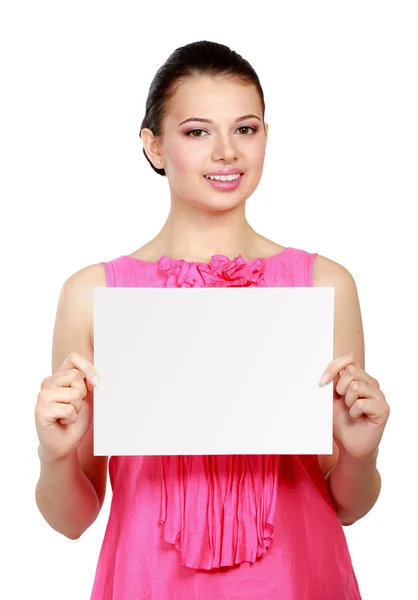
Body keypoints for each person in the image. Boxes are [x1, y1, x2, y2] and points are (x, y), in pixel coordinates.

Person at [34, 40, 390, 600]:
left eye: (245, 129)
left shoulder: (324, 285)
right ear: (154, 146)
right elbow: (72, 519)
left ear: (266, 138)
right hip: (148, 583)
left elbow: (349, 504)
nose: (226, 151)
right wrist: (54, 455)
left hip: (297, 580)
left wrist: (360, 454)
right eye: (197, 132)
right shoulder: (95, 294)